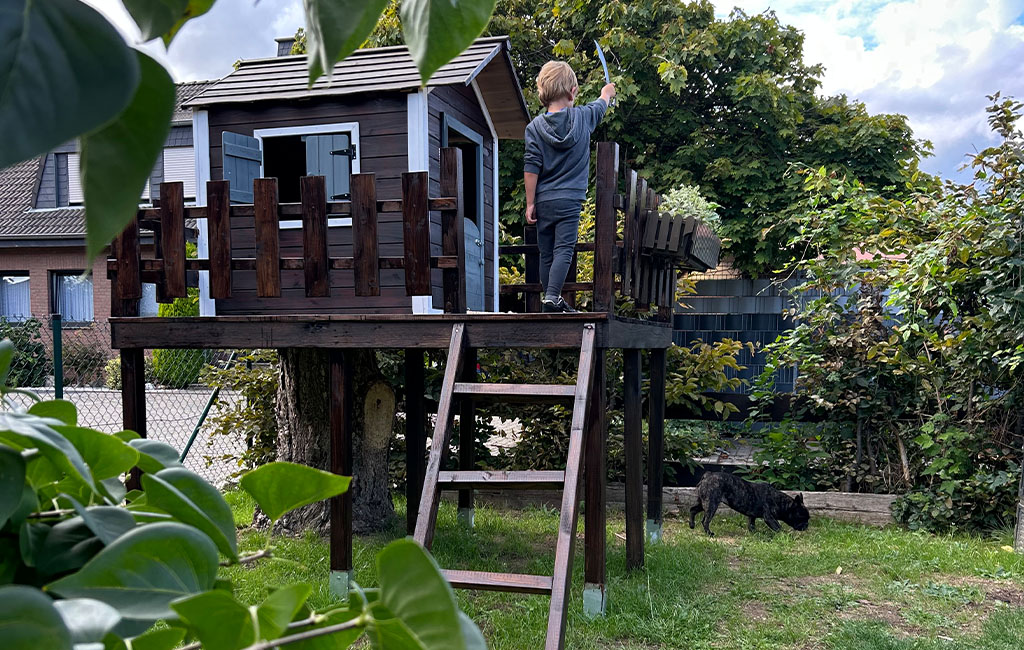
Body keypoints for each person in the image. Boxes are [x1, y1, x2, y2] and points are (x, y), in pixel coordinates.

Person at [524, 61, 616, 313]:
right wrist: (606, 93)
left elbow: (531, 168)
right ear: (572, 91)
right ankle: (552, 298)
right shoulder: (583, 117)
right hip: (570, 200)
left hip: (544, 200)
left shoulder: (534, 129)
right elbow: (600, 106)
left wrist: (530, 203)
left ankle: (549, 299)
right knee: (564, 249)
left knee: (546, 253)